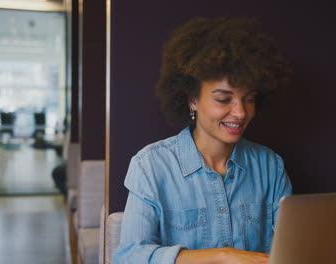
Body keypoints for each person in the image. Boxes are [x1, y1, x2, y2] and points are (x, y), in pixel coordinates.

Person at [115, 17, 293, 264]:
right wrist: (222, 256)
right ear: (192, 100)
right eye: (223, 99)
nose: (240, 112)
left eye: (249, 98)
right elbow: (129, 257)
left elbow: (290, 250)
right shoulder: (152, 166)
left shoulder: (270, 166)